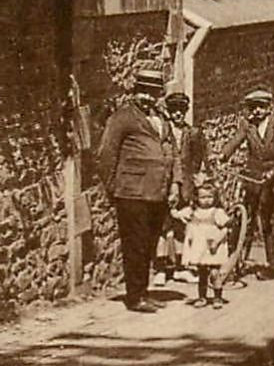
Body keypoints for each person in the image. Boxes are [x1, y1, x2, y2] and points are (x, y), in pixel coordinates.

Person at [95, 69, 175, 312]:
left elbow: (172, 151)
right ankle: (135, 296)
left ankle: (143, 291)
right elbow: (106, 154)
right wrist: (112, 187)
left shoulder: (161, 117)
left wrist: (175, 184)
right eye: (143, 92)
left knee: (150, 243)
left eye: (153, 93)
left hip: (157, 191)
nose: (148, 98)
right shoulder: (123, 117)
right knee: (135, 243)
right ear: (135, 91)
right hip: (132, 192)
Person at [219, 89, 274, 277]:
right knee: (267, 226)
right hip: (258, 183)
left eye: (261, 107)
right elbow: (234, 142)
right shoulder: (247, 126)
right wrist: (222, 155)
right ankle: (273, 266)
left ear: (268, 108)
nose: (257, 111)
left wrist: (273, 172)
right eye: (253, 107)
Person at [156, 91, 203, 284]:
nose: (178, 114)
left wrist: (195, 179)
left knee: (181, 226)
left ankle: (180, 268)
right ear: (168, 112)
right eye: (174, 110)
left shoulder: (192, 133)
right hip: (164, 184)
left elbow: (197, 159)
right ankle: (160, 268)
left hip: (185, 186)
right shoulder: (162, 132)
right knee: (162, 226)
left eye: (181, 111)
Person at [172, 176, 233, 309]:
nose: (206, 200)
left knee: (215, 273)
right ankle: (202, 297)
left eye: (210, 197)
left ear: (215, 198)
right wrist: (173, 208)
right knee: (202, 274)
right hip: (200, 248)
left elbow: (226, 226)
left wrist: (218, 239)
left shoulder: (217, 212)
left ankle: (217, 297)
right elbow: (177, 214)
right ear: (197, 198)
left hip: (212, 248)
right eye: (203, 197)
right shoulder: (193, 211)